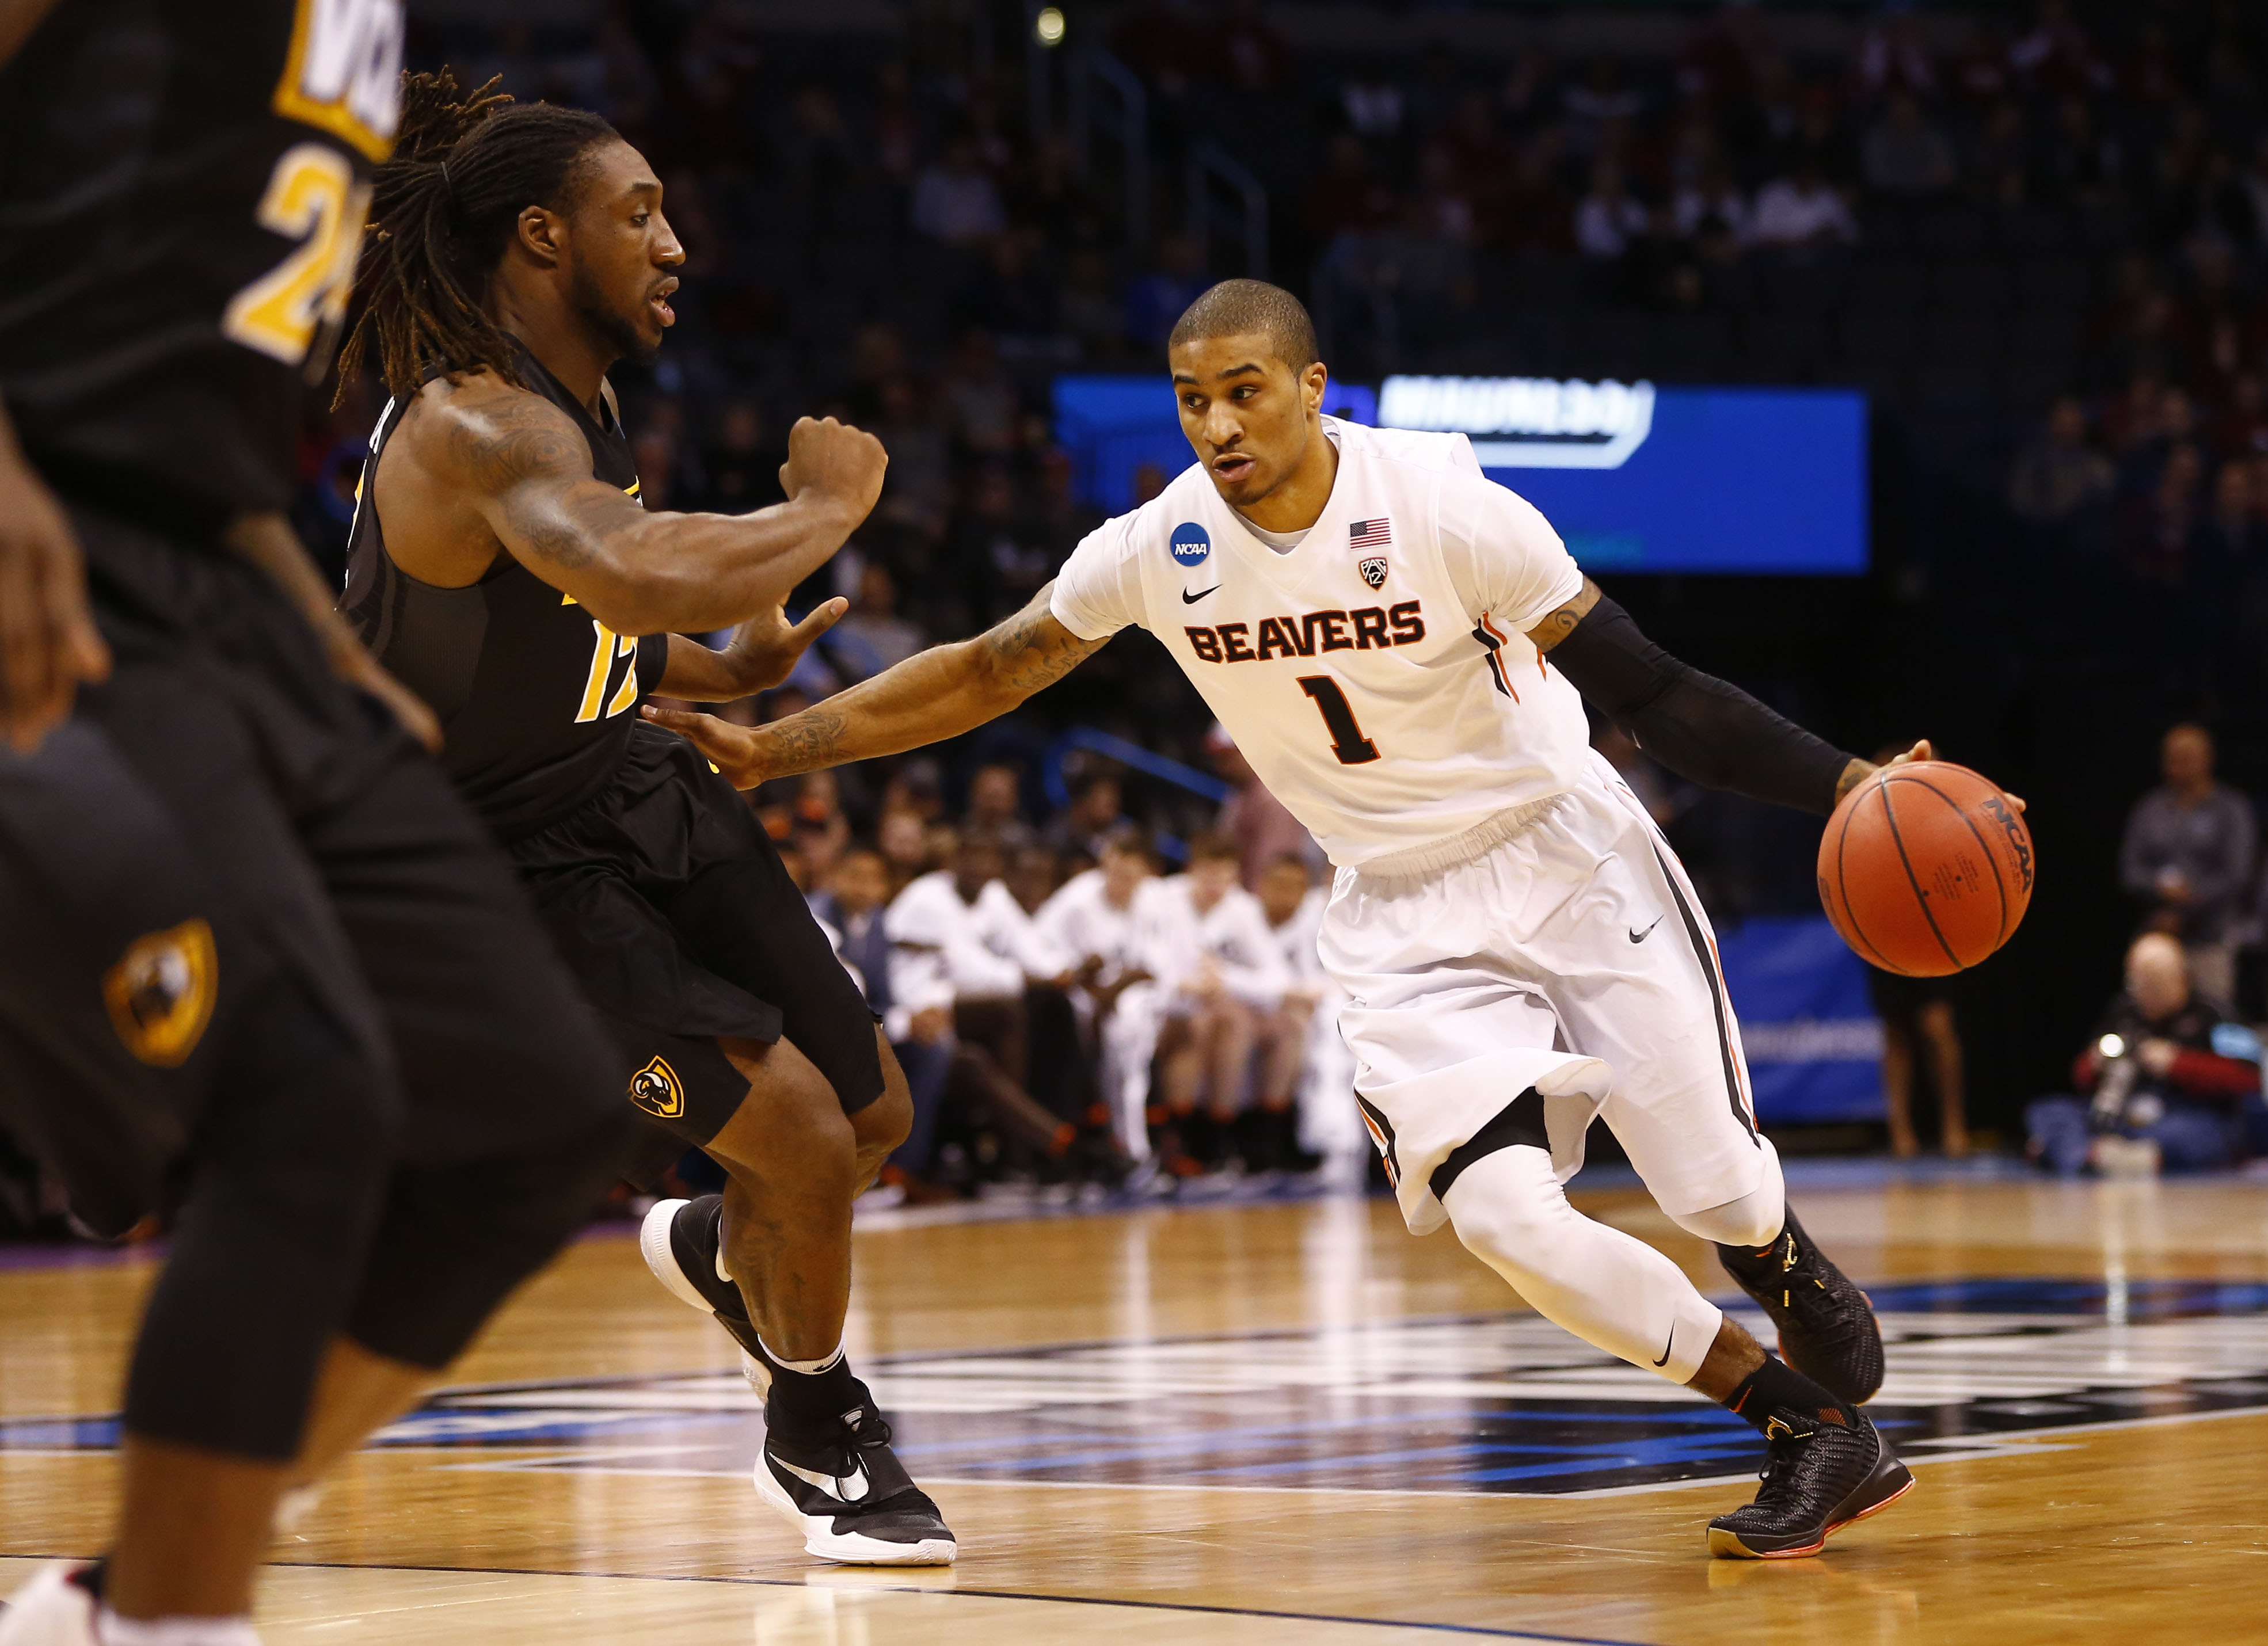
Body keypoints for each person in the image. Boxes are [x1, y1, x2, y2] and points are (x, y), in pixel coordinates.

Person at [650, 277, 1926, 1559]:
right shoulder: (1160, 544)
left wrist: (1847, 782)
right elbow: (988, 668)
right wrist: (777, 747)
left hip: (1565, 851)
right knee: (1501, 1219)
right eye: (1191, 399)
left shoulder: (1445, 507)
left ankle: (1776, 1259)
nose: (1216, 423)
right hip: (1396, 903)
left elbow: (1655, 691)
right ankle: (1807, 1425)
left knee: (1704, 1184)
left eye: (1243, 391)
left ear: (1314, 389)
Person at [0, 12, 641, 1643]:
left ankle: (132, 1591)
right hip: (45, 538)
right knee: (303, 1093)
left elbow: (190, 419)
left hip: (210, 572)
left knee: (528, 1112)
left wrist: (322, 652)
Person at [334, 71, 952, 1565]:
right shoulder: (470, 424)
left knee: (872, 1115)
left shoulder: (569, 400)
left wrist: (714, 662)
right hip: (498, 868)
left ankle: (706, 1244)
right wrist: (818, 510)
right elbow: (623, 571)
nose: (676, 242)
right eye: (641, 212)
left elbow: (565, 615)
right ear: (542, 238)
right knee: (798, 1139)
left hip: (631, 782)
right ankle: (815, 1435)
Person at [2025, 934, 2261, 1176]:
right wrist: (2096, 1063)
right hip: (2123, 1115)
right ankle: (2091, 1158)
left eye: (2155, 983)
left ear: (2180, 978)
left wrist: (2176, 1063)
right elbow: (2081, 1075)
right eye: (2138, 982)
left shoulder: (2213, 1014)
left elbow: (2249, 1077)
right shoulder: (2123, 1012)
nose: (2144, 992)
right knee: (2048, 1110)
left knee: (2201, 1135)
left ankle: (2080, 1155)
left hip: (2184, 1114)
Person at [2118, 723, 2256, 1011]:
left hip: (2210, 939)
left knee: (2214, 1021)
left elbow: (2236, 875)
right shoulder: (2150, 809)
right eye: (2171, 758)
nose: (2177, 766)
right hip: (2158, 938)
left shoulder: (2231, 809)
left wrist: (2187, 907)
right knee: (2148, 1023)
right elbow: (2131, 871)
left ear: (2207, 758)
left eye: (2186, 758)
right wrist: (2159, 890)